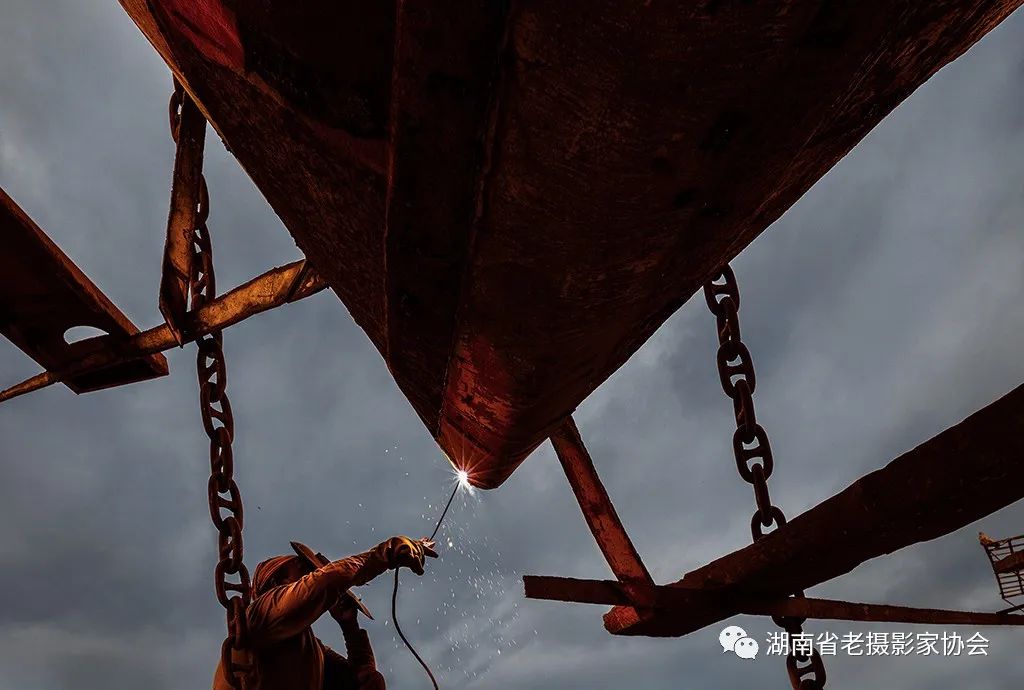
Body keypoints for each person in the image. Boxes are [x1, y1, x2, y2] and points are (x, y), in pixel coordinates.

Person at [213, 535, 438, 690]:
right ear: (276, 581)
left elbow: (358, 682)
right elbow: (327, 581)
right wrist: (388, 552)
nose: (311, 576)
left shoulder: (310, 650)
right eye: (304, 571)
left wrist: (349, 626)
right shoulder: (263, 612)